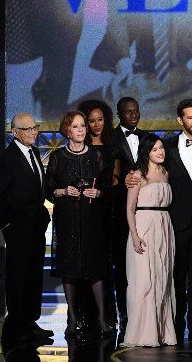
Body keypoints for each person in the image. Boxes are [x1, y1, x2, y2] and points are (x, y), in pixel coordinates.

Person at [134, 99, 192, 343]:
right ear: (180, 120)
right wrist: (133, 176)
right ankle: (175, 326)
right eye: (190, 117)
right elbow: (148, 168)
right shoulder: (168, 147)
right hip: (173, 225)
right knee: (176, 279)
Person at [0, 113, 54, 350]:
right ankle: (16, 327)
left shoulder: (33, 152)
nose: (34, 132)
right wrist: (6, 225)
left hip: (36, 226)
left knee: (33, 276)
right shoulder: (7, 159)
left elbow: (38, 187)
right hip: (18, 229)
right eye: (28, 129)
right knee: (18, 277)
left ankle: (29, 322)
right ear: (15, 133)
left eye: (35, 127)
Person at [45, 111, 114, 339]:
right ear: (67, 130)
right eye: (76, 126)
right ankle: (73, 318)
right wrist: (64, 191)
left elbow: (107, 186)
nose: (81, 130)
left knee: (96, 267)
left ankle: (102, 318)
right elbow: (48, 189)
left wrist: (99, 192)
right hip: (68, 219)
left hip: (92, 218)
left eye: (83, 125)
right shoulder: (58, 157)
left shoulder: (96, 155)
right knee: (70, 267)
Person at [122, 134, 177, 347]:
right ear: (146, 153)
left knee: (162, 278)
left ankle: (162, 332)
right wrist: (135, 235)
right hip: (143, 227)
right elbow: (129, 208)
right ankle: (143, 333)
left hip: (164, 226)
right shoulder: (137, 175)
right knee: (144, 280)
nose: (160, 152)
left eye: (161, 148)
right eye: (154, 149)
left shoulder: (165, 173)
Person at [77, 99, 120, 326]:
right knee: (84, 263)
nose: (96, 125)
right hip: (83, 212)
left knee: (103, 265)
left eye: (100, 120)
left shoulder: (112, 147)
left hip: (107, 211)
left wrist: (103, 193)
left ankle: (106, 316)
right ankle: (84, 316)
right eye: (91, 121)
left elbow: (115, 181)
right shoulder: (79, 149)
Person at [111, 97, 148, 330]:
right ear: (119, 114)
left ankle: (143, 309)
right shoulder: (111, 138)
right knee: (122, 263)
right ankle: (124, 311)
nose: (134, 115)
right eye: (128, 112)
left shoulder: (147, 138)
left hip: (145, 209)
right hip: (119, 210)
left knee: (143, 261)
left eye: (136, 111)